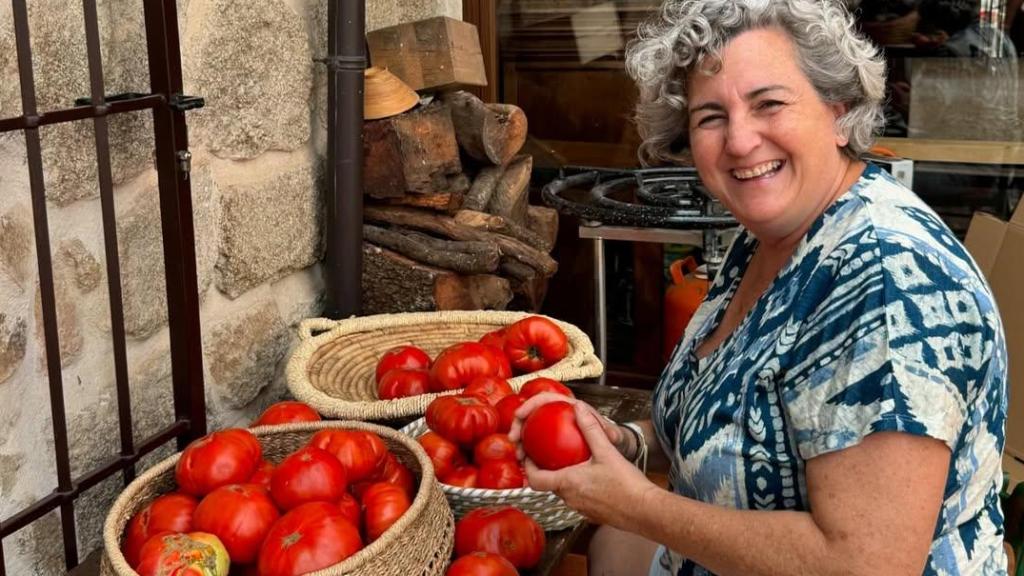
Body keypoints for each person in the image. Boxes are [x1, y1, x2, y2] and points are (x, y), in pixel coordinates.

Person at [509, 1, 1009, 574]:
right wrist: (625, 442)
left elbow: (865, 563)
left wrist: (635, 506)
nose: (740, 141)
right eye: (710, 117)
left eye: (769, 103)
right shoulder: (772, 234)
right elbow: (732, 421)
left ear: (837, 107)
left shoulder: (885, 278)